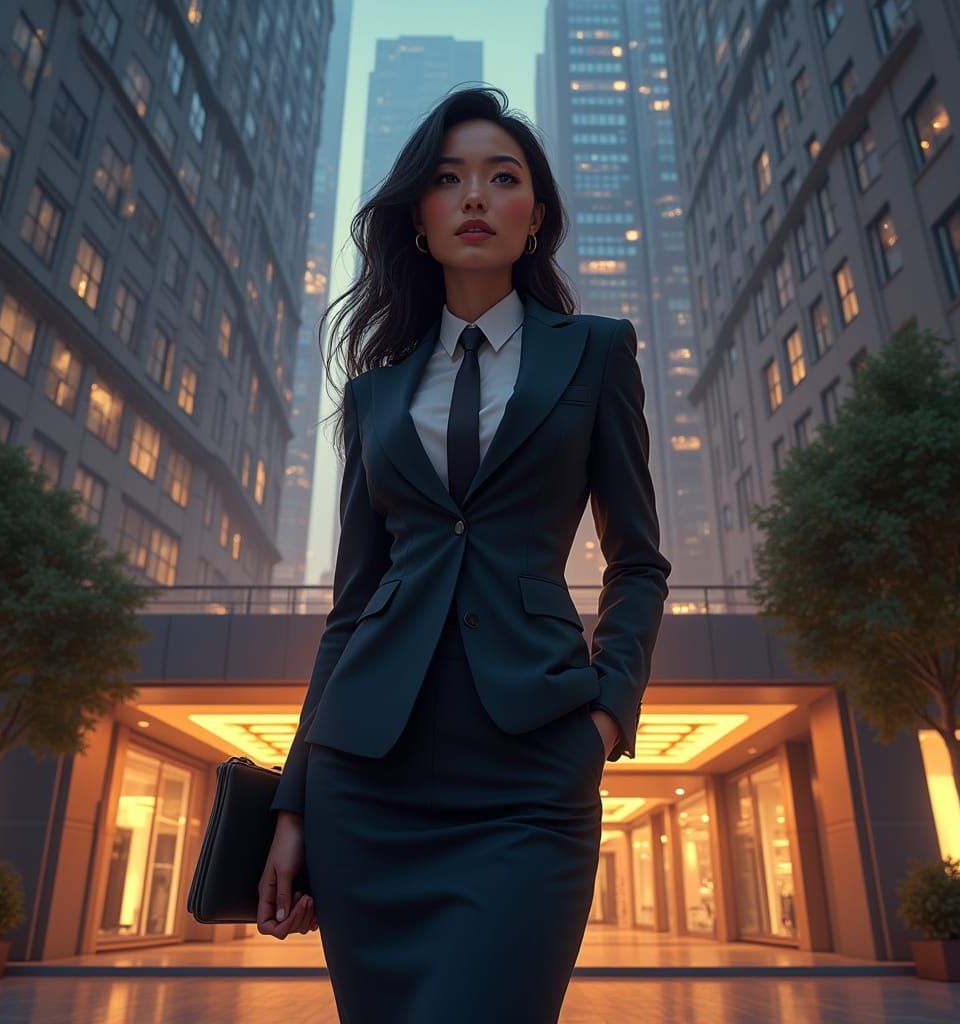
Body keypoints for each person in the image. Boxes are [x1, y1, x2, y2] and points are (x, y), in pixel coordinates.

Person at [257, 84, 672, 1022]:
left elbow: (638, 562)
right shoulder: (375, 394)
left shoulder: (596, 354)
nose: (475, 196)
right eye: (449, 180)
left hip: (530, 774)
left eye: (502, 177)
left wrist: (604, 721)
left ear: (536, 218)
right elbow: (351, 609)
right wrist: (293, 803)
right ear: (419, 218)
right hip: (367, 782)